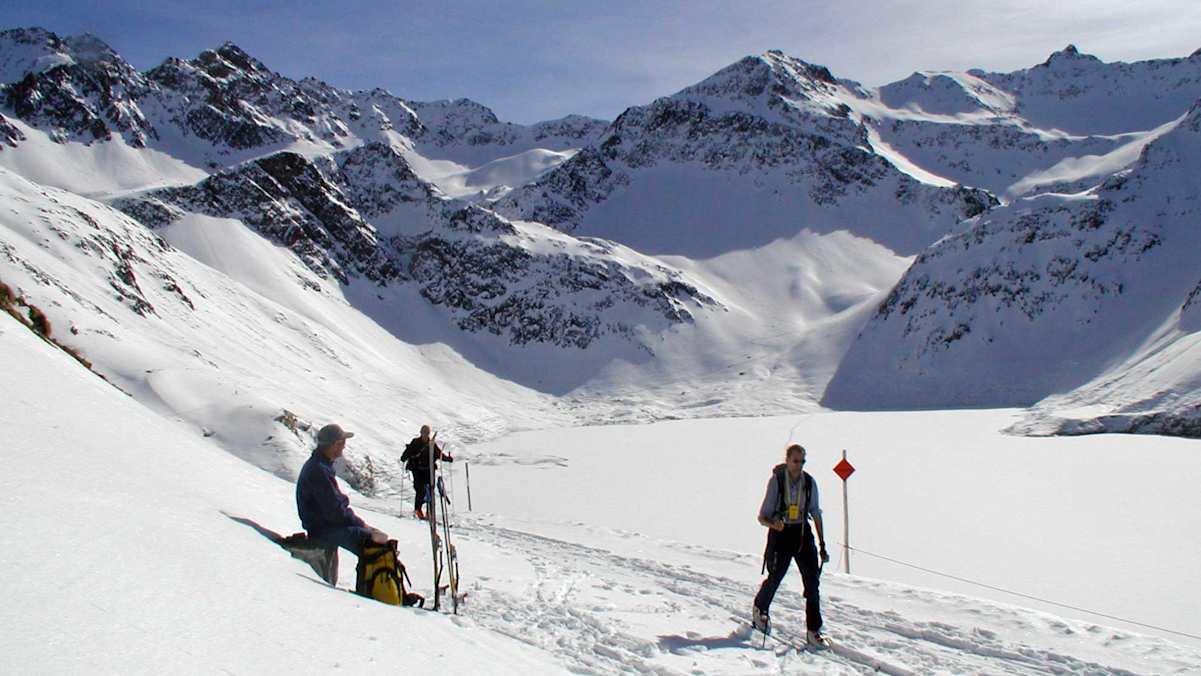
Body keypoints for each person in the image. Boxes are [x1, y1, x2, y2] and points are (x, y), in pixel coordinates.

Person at [753, 443, 830, 647]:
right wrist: (774, 524)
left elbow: (815, 512)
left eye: (802, 461)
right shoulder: (777, 481)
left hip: (802, 533)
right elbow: (762, 516)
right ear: (787, 460)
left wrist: (822, 544)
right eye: (795, 461)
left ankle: (813, 629)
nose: (799, 465)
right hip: (781, 533)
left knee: (812, 581)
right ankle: (760, 607)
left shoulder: (809, 482)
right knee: (776, 576)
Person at [294, 423, 388, 584]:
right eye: (342, 442)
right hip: (324, 529)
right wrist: (364, 527)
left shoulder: (319, 465)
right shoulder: (319, 470)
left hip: (323, 526)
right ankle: (377, 591)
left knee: (374, 537)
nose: (344, 446)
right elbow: (336, 512)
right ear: (335, 444)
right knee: (376, 543)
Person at [400, 424, 453, 520]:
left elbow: (439, 454)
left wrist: (447, 459)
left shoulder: (432, 444)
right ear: (421, 433)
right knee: (420, 491)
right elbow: (408, 452)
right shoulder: (415, 442)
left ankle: (430, 514)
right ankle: (418, 511)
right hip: (417, 471)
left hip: (429, 471)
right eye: (423, 433)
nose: (425, 435)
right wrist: (404, 458)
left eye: (426, 433)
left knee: (430, 492)